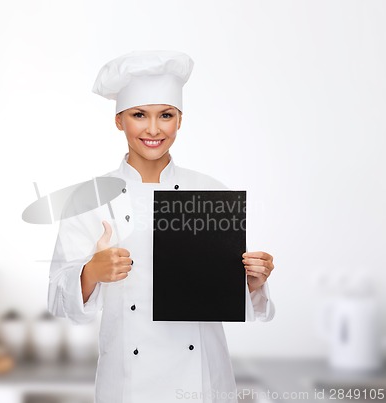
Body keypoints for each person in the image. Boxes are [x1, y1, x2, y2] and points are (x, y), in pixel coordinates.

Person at [48, 50, 275, 403]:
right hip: (127, 386)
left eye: (165, 115)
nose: (153, 129)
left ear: (180, 121)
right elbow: (58, 302)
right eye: (140, 115)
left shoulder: (212, 192)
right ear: (119, 120)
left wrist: (252, 282)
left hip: (202, 382)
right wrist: (91, 271)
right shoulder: (88, 198)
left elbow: (231, 300)